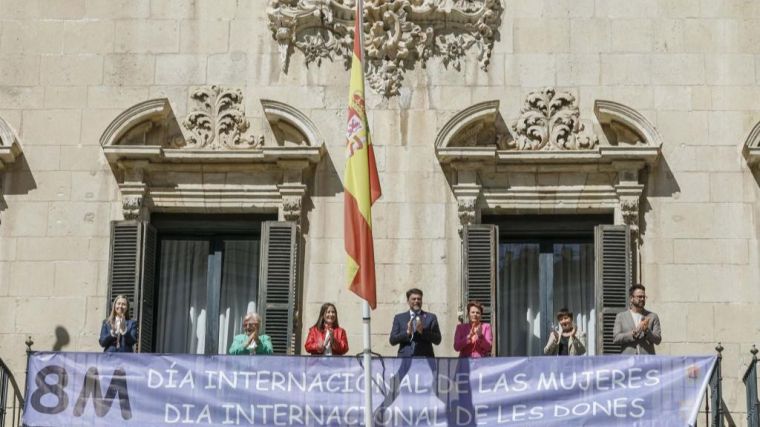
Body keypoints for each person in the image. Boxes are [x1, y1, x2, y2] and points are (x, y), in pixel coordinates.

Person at [389, 288, 442, 357]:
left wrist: (422, 331)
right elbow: (392, 340)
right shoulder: (399, 318)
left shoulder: (430, 317)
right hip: (405, 360)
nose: (416, 301)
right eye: (413, 299)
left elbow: (438, 340)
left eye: (419, 299)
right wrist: (407, 333)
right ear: (408, 301)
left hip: (425, 360)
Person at [613, 284, 662, 355]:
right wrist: (633, 334)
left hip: (647, 360)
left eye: (644, 297)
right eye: (639, 297)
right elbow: (616, 338)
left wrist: (647, 331)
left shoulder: (652, 316)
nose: (642, 299)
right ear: (631, 298)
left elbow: (658, 340)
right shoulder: (621, 316)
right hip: (628, 361)